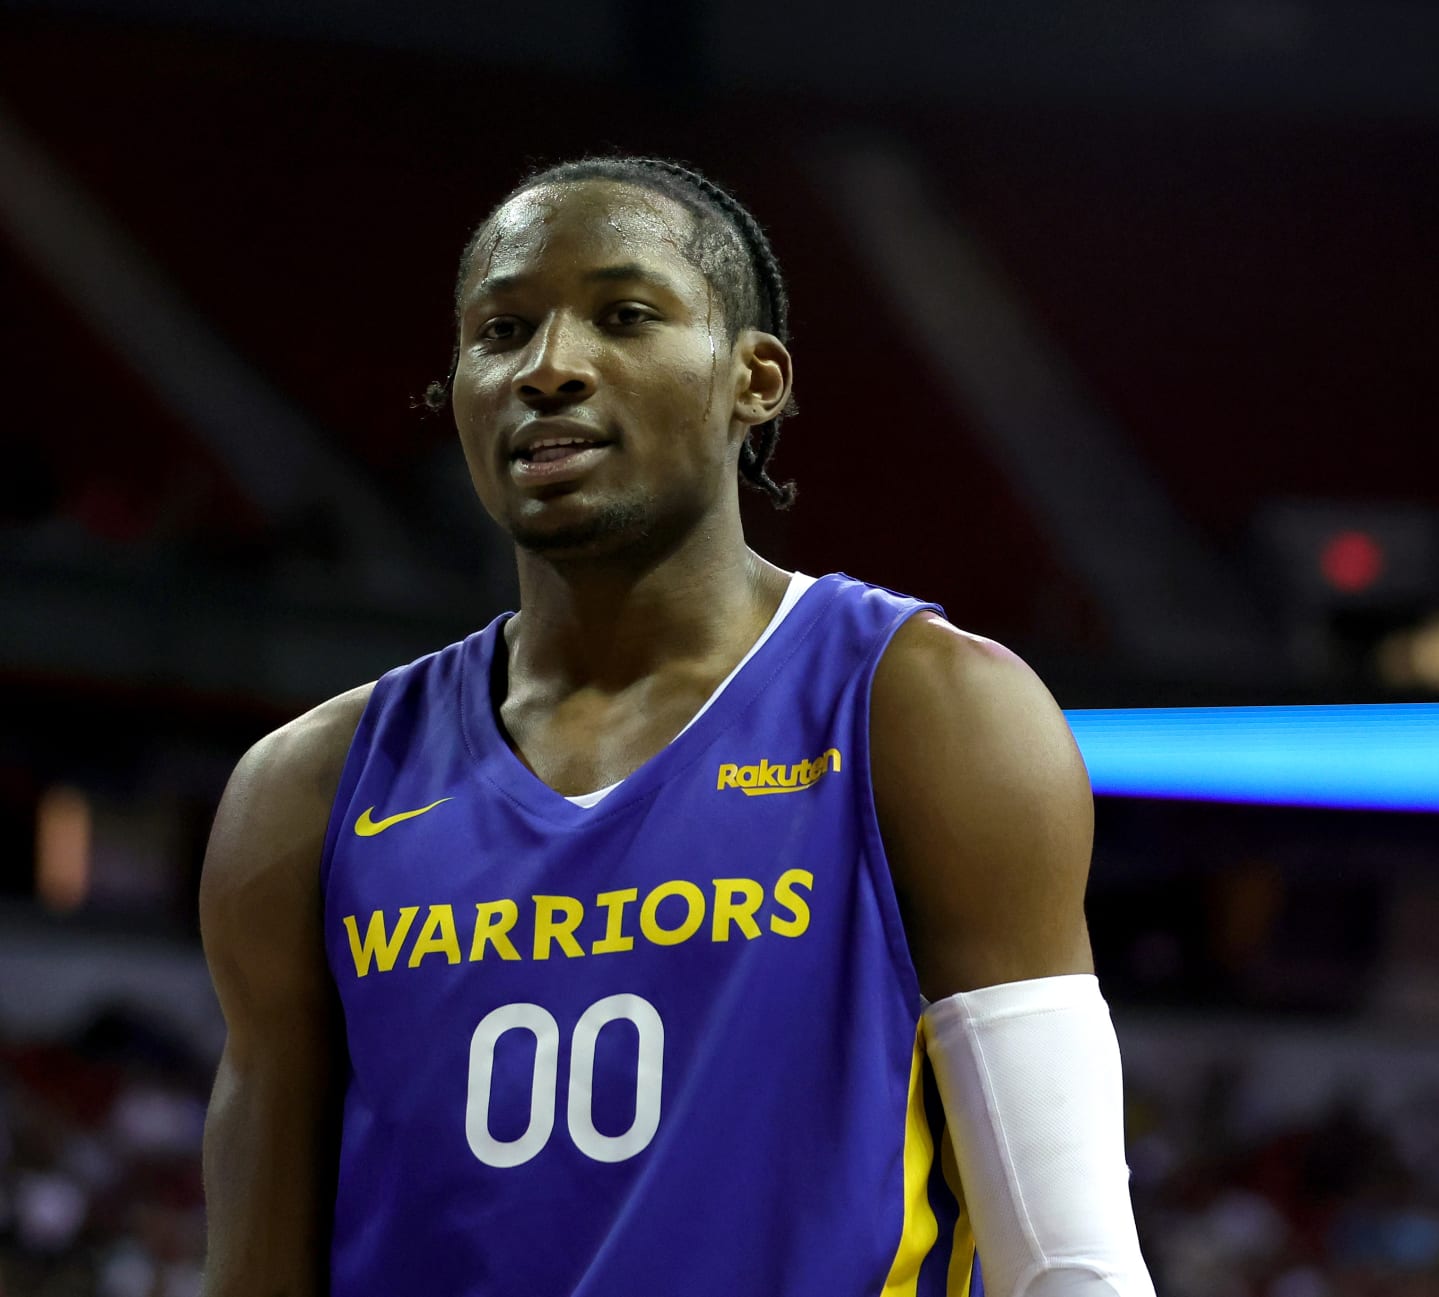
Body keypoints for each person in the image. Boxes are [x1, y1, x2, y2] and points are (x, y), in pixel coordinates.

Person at [198, 155, 1155, 1296]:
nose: (549, 366)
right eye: (501, 331)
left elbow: (1069, 1261)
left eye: (625, 315)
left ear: (755, 379)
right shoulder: (308, 787)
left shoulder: (929, 708)